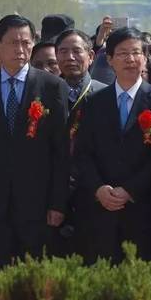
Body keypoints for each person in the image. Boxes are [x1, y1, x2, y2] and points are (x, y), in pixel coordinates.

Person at [0, 14, 69, 270]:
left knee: (36, 274)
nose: (20, 49)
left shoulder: (52, 87)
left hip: (38, 202)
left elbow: (61, 152)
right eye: (13, 43)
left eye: (26, 42)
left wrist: (58, 203)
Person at [75, 27, 151, 264]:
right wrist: (98, 189)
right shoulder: (94, 102)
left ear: (144, 58)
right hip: (101, 211)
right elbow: (82, 154)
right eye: (122, 53)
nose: (130, 59)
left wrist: (130, 189)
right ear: (109, 59)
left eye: (136, 52)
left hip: (143, 210)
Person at [54, 29, 107, 256]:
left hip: (95, 193)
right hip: (54, 193)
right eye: (63, 52)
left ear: (91, 56)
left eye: (77, 51)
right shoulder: (45, 93)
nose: (70, 58)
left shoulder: (105, 96)